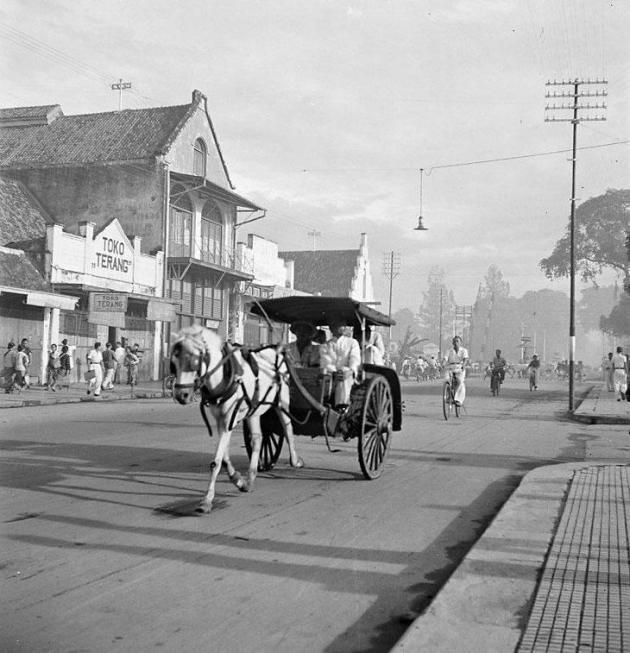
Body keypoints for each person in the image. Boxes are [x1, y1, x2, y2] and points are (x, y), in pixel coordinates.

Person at [320, 318, 361, 407]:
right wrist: (333, 373)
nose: (342, 327)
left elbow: (355, 359)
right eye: (337, 325)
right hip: (330, 376)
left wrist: (350, 371)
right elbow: (325, 362)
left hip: (347, 376)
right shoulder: (325, 345)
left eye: (343, 325)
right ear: (331, 328)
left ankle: (341, 405)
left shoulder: (353, 342)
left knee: (343, 372)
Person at [443, 335, 469, 406]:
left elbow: (465, 359)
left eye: (457, 341)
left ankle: (458, 399)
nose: (455, 343)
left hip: (459, 367)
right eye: (454, 341)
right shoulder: (449, 351)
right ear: (452, 343)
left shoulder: (464, 350)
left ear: (460, 342)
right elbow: (445, 358)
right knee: (446, 380)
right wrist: (443, 364)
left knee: (460, 381)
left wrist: (463, 365)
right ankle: (449, 396)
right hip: (450, 367)